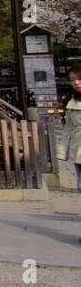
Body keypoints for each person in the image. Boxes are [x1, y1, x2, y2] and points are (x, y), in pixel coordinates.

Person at [60, 64, 81, 193]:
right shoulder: (71, 101)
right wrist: (62, 151)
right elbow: (67, 129)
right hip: (78, 148)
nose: (76, 83)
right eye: (72, 80)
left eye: (79, 78)